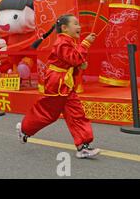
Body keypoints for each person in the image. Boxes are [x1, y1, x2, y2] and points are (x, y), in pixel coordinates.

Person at [17, 14, 100, 159]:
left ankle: (83, 146)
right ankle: (24, 129)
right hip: (57, 82)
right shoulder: (62, 42)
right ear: (65, 28)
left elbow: (72, 61)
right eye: (75, 24)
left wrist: (80, 64)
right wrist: (85, 45)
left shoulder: (70, 41)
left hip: (65, 82)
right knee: (48, 113)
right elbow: (73, 58)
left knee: (76, 113)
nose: (79, 27)